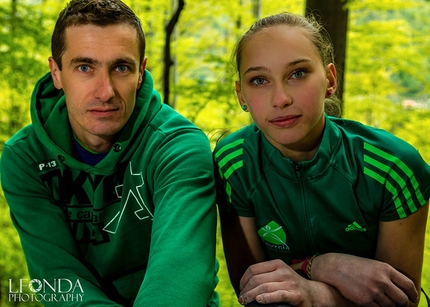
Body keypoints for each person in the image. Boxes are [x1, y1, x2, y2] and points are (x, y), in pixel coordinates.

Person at [0, 0, 219, 306]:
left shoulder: (177, 147)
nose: (105, 92)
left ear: (140, 73)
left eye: (121, 67)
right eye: (85, 67)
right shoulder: (25, 158)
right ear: (57, 73)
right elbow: (57, 277)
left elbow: (182, 272)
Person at [213, 12, 430, 307]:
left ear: (330, 79)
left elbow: (398, 299)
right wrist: (322, 266)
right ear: (241, 95)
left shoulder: (393, 166)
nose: (280, 98)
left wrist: (315, 292)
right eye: (259, 80)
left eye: (298, 73)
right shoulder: (233, 161)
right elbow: (251, 287)